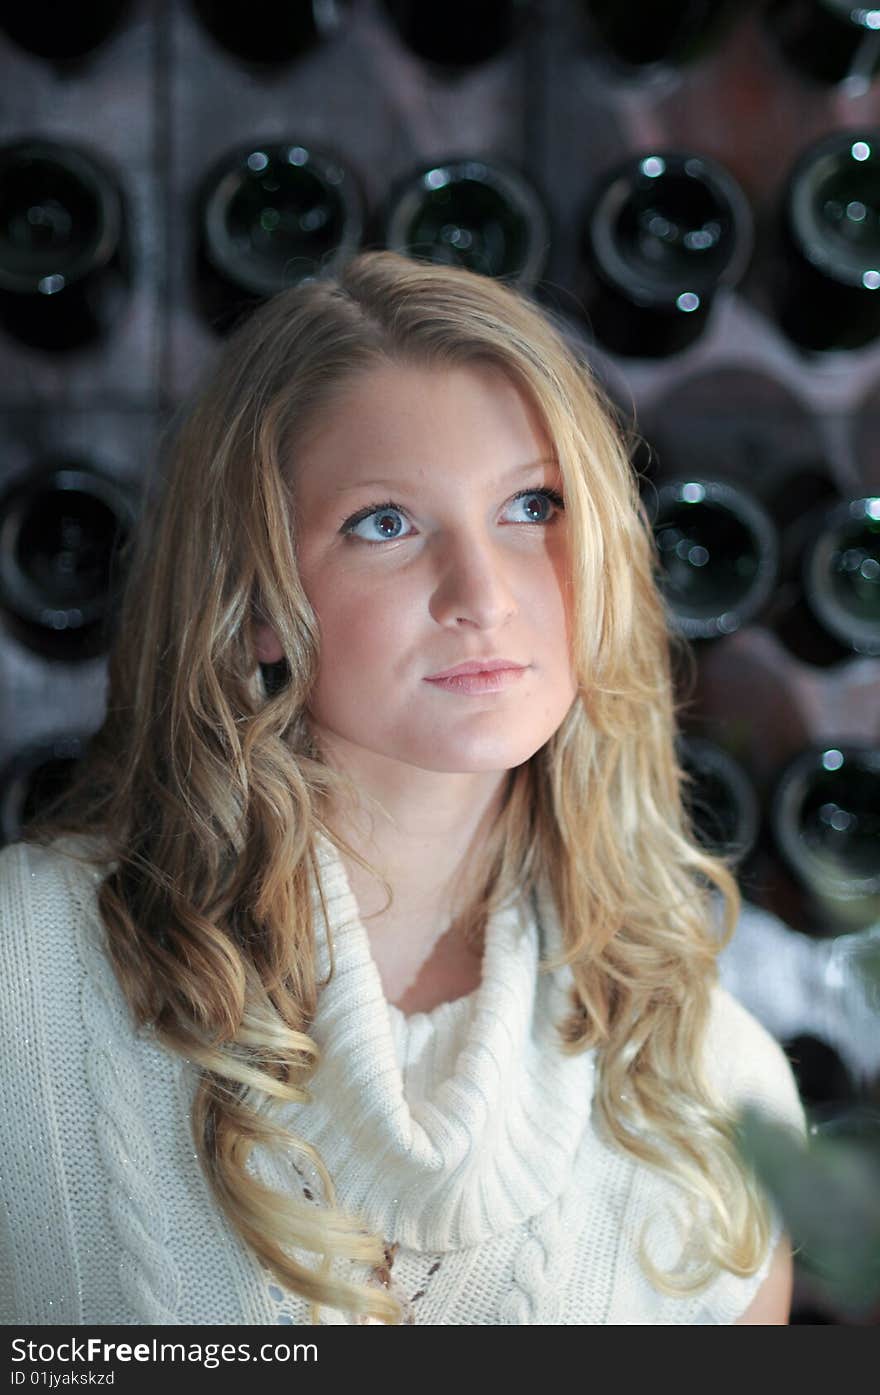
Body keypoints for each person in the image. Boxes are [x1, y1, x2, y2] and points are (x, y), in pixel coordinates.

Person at [0, 250, 806, 1326]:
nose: (482, 594)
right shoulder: (27, 968)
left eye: (532, 506)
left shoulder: (714, 1081)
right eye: (386, 523)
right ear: (254, 604)